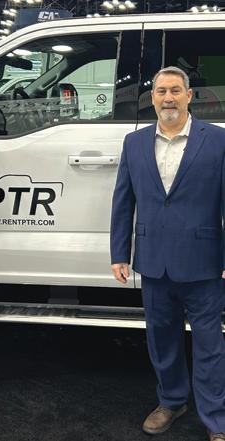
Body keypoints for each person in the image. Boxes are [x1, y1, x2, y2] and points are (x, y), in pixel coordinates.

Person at [110, 66, 225, 441]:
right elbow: (123, 201)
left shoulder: (218, 140)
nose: (168, 98)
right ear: (153, 98)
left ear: (189, 96)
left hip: (205, 263)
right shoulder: (134, 142)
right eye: (161, 91)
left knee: (209, 345)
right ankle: (172, 401)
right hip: (153, 262)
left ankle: (215, 418)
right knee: (161, 339)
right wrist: (119, 253)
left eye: (176, 90)